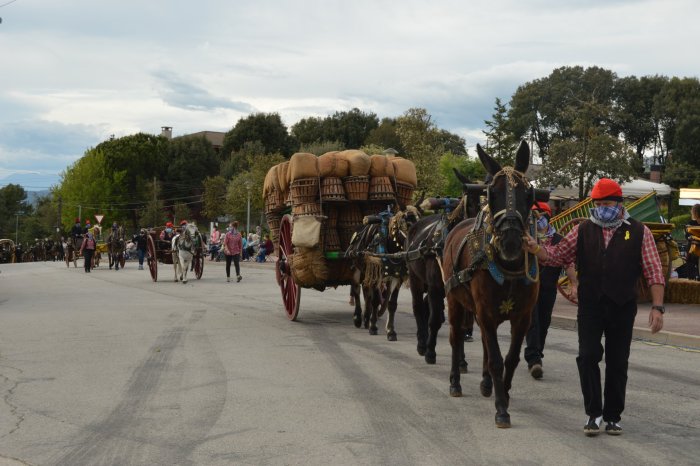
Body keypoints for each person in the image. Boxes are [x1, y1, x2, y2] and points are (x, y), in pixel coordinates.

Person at [526, 178, 665, 437]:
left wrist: (658, 307)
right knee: (587, 355)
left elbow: (654, 270)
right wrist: (537, 249)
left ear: (619, 203)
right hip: (590, 305)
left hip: (622, 305)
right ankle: (594, 413)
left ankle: (613, 416)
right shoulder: (582, 230)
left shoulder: (638, 231)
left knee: (617, 361)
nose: (602, 208)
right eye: (598, 204)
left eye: (607, 203)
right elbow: (558, 255)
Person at [524, 201, 578, 379]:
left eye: (541, 216)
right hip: (529, 287)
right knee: (533, 321)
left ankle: (538, 353)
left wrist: (574, 285)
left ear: (548, 217)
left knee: (544, 322)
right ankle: (534, 359)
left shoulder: (559, 240)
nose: (538, 219)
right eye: (534, 215)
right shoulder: (526, 238)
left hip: (548, 288)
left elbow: (568, 263)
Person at [685, 204, 700, 280]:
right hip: (694, 247)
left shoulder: (690, 223)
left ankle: (691, 281)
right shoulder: (690, 223)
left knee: (690, 264)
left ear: (694, 212)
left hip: (692, 248)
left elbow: (687, 236)